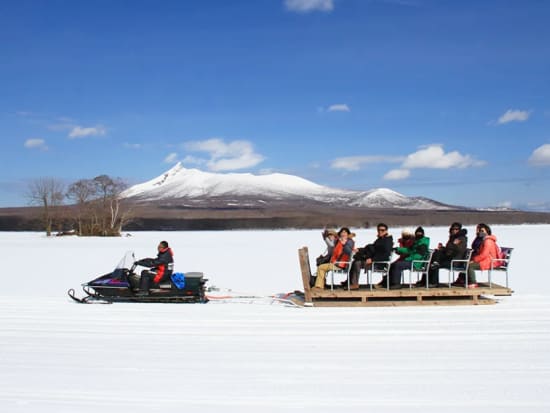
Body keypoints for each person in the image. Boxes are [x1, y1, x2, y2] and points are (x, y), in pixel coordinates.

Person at [344, 223, 393, 290]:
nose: (380, 231)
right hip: (374, 261)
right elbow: (372, 249)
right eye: (379, 230)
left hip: (379, 263)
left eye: (382, 230)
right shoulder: (380, 240)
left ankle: (354, 284)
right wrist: (359, 250)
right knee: (355, 261)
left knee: (357, 263)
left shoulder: (387, 241)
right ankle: (349, 282)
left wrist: (372, 259)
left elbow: (385, 254)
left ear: (386, 231)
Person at [418, 222, 468, 287]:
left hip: (455, 261)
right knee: (433, 259)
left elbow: (459, 250)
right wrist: (442, 248)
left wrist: (453, 244)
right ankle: (424, 281)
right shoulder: (453, 237)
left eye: (456, 229)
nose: (454, 231)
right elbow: (449, 250)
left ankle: (434, 282)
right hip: (450, 258)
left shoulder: (461, 238)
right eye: (453, 229)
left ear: (459, 230)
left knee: (435, 264)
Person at [454, 223, 498, 288]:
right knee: (466, 262)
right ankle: (462, 279)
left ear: (487, 231)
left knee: (470, 265)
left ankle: (473, 283)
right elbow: (474, 246)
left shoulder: (488, 241)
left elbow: (484, 254)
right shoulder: (481, 239)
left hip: (489, 261)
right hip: (484, 259)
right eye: (479, 230)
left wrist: (474, 260)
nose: (480, 232)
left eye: (482, 231)